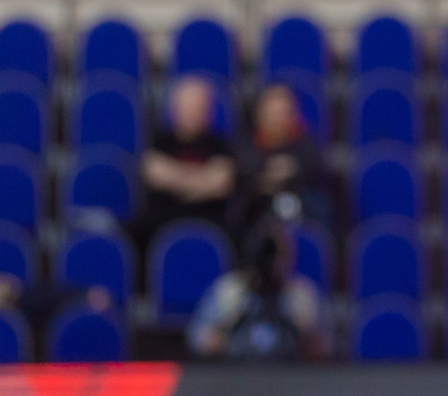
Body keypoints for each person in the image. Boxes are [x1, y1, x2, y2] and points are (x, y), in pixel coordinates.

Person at [188, 219, 324, 360]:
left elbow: (324, 347)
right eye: (268, 255)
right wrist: (227, 326)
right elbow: (199, 340)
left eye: (282, 256)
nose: (274, 264)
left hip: (288, 370)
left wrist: (305, 329)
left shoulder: (301, 293)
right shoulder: (230, 290)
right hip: (236, 369)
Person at [140, 75, 236, 245]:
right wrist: (203, 180)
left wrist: (175, 179)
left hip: (210, 219)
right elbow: (155, 175)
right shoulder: (159, 142)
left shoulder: (220, 145)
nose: (192, 115)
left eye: (198, 109)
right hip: (164, 220)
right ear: (175, 110)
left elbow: (221, 184)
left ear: (208, 112)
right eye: (187, 108)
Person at [240, 83, 333, 235]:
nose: (277, 120)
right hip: (260, 203)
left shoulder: (305, 141)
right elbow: (245, 173)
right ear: (259, 114)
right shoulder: (247, 144)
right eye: (272, 113)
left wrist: (293, 168)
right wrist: (267, 176)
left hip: (300, 199)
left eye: (282, 113)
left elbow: (313, 168)